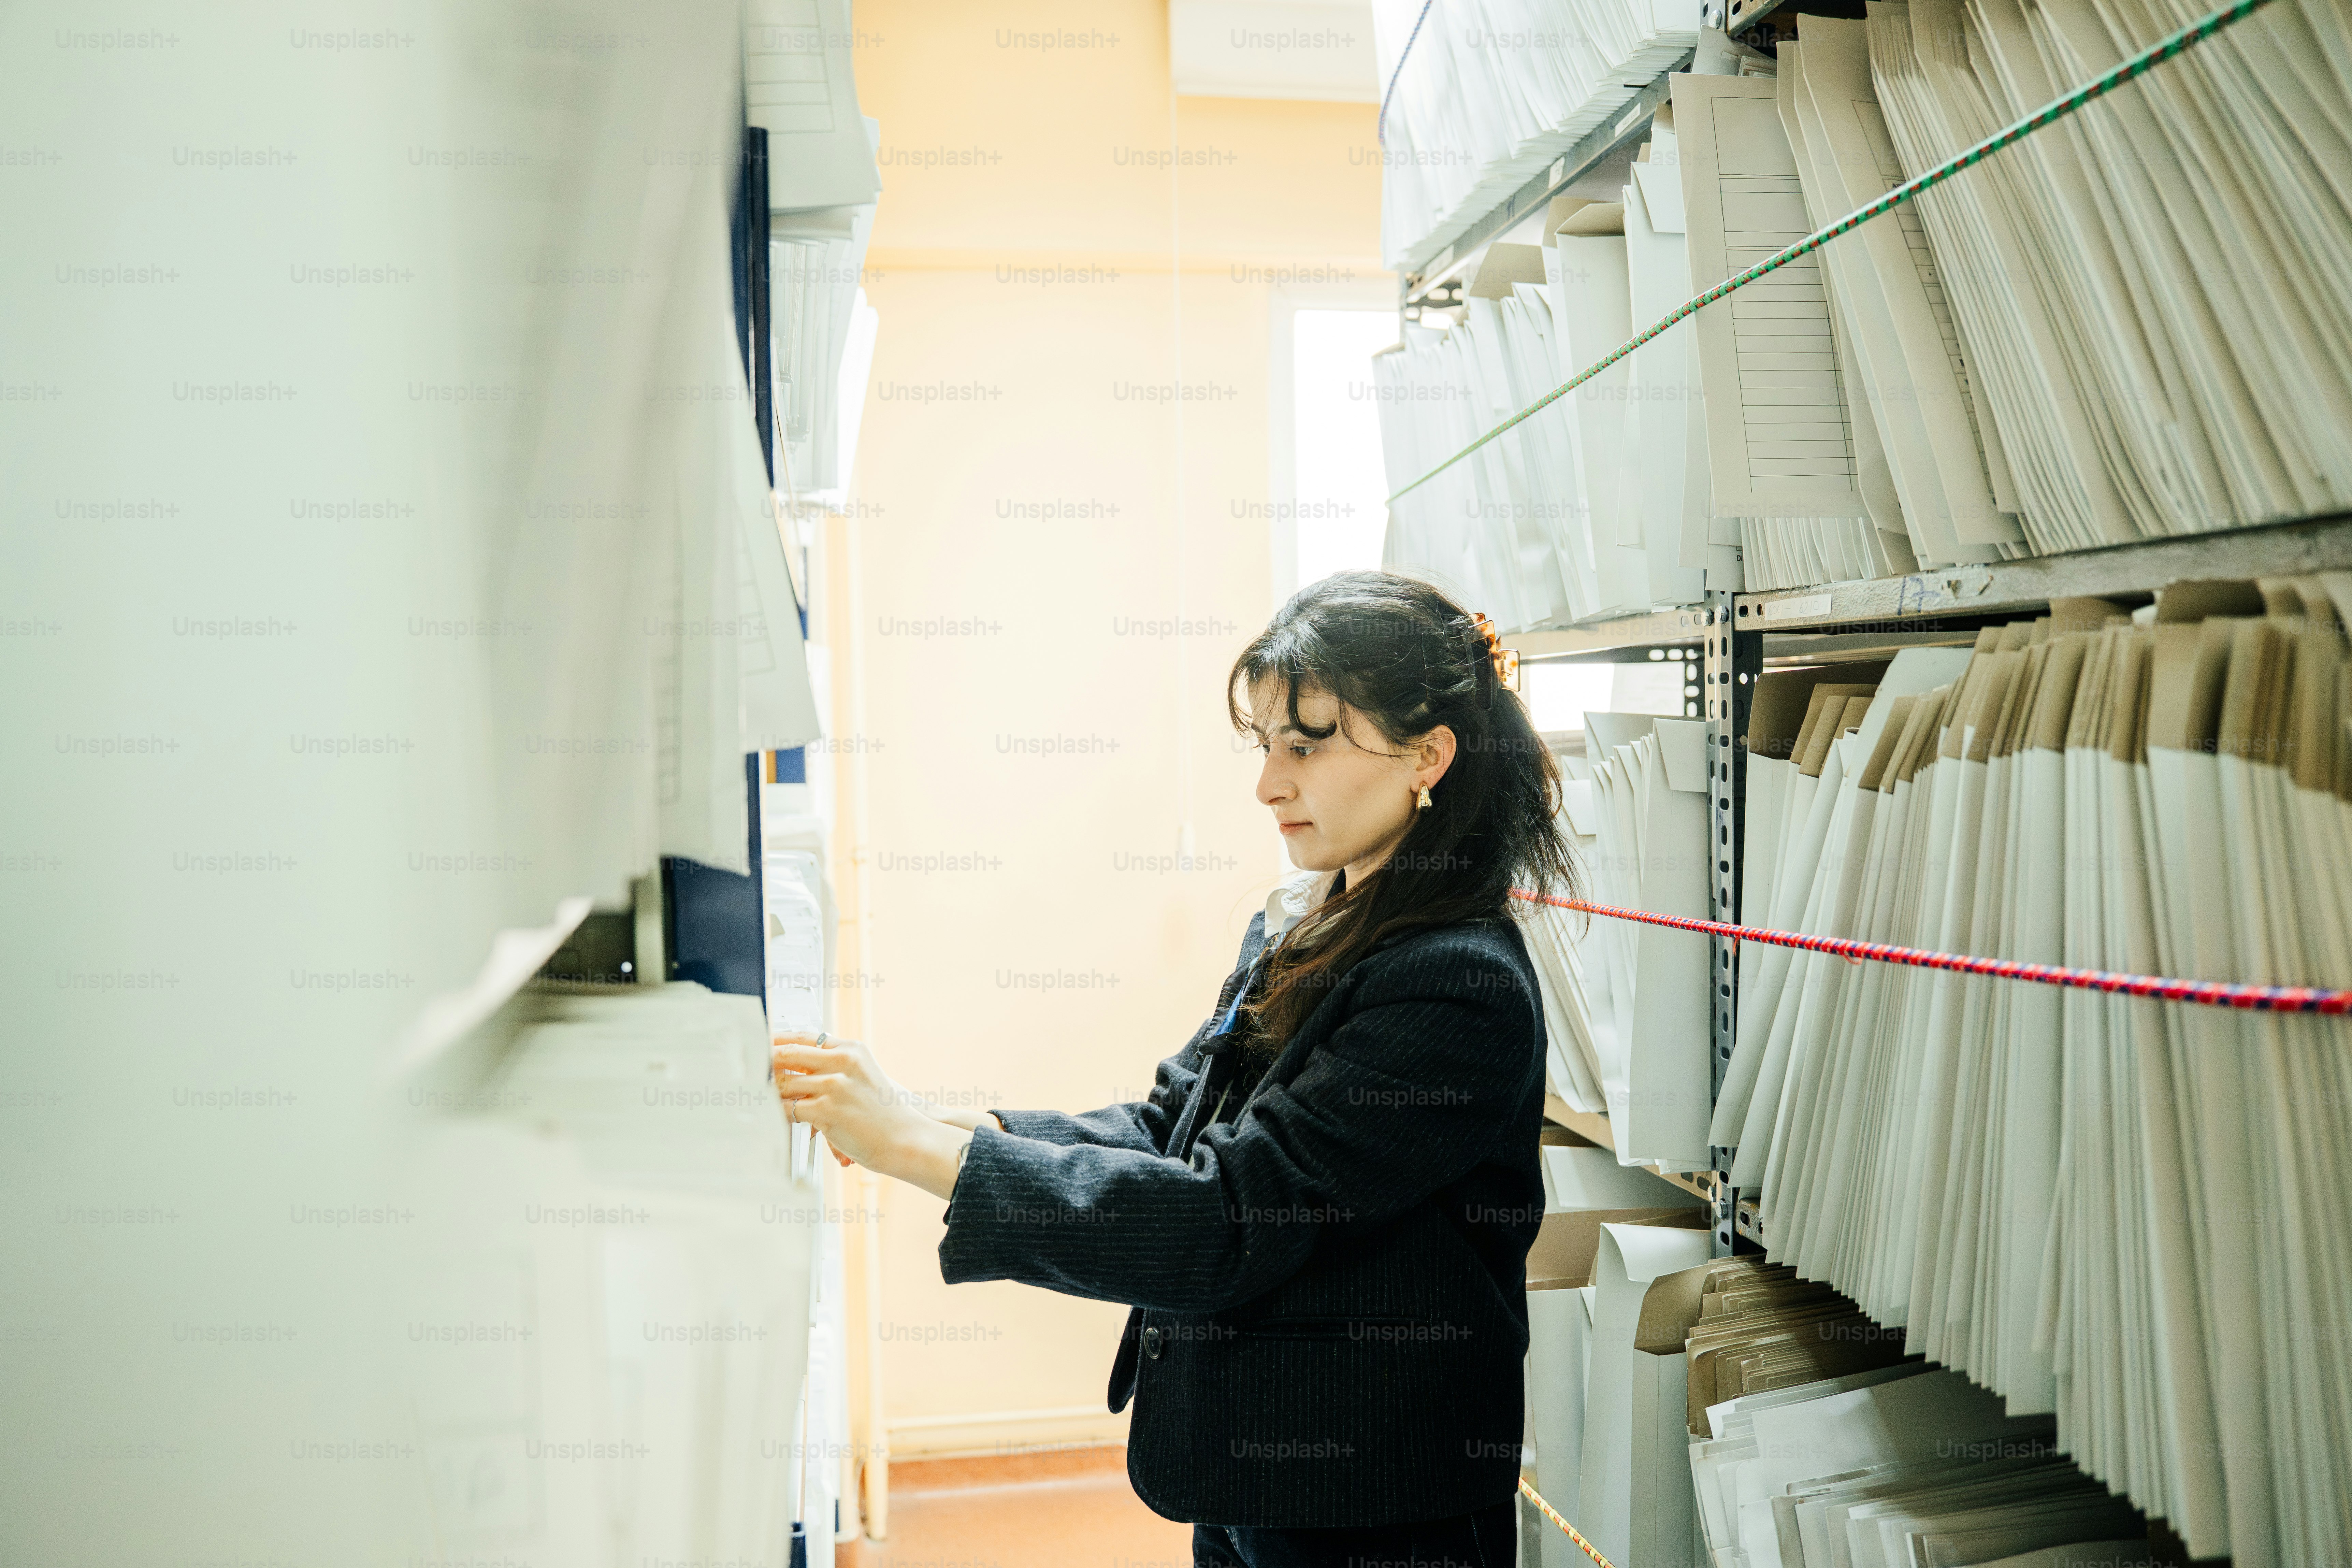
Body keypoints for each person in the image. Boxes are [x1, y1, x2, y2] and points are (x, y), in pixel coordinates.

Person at [772, 570, 1576, 1566]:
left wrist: (916, 1151)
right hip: (1248, 1472)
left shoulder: (1456, 986)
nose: (1270, 783)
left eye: (1309, 741)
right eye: (1267, 744)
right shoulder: (1312, 915)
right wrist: (949, 1126)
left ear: (1430, 756)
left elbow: (1228, 1216)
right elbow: (1173, 1124)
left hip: (1370, 1508)